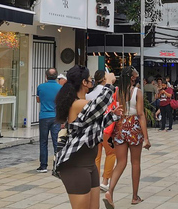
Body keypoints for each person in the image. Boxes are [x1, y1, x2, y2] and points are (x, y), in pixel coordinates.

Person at [53, 66, 123, 209]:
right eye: (90, 78)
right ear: (84, 82)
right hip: (76, 166)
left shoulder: (82, 103)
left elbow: (95, 126)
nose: (92, 81)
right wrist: (108, 84)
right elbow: (100, 105)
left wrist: (113, 115)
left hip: (89, 165)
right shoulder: (78, 104)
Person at [105, 66, 151, 208]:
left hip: (119, 126)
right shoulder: (137, 92)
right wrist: (146, 138)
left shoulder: (117, 91)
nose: (137, 75)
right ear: (132, 77)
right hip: (133, 126)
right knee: (135, 162)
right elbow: (141, 114)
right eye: (135, 73)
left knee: (121, 162)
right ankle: (134, 197)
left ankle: (110, 191)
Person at [86, 70, 115, 190]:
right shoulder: (109, 92)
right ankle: (105, 180)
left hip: (93, 128)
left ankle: (95, 180)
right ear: (104, 79)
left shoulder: (89, 95)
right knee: (111, 153)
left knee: (96, 156)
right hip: (107, 127)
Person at [36, 67, 62, 173]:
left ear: (46, 76)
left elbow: (38, 100)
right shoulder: (60, 88)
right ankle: (57, 165)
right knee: (56, 141)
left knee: (43, 141)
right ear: (56, 77)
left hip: (44, 116)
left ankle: (43, 166)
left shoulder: (40, 87)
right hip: (56, 116)